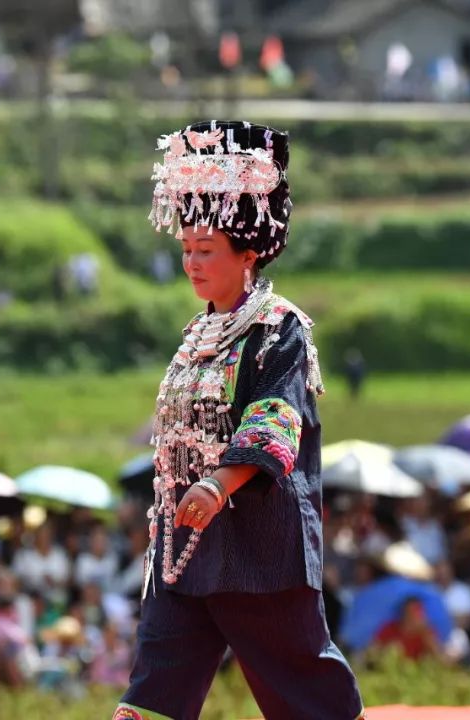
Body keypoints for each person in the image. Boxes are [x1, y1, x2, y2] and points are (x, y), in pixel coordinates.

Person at [114, 121, 364, 720]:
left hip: (258, 549)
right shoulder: (196, 334)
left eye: (206, 252)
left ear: (247, 256)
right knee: (153, 690)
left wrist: (219, 482)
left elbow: (276, 417)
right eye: (186, 251)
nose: (192, 264)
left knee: (303, 684)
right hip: (183, 550)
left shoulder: (280, 329)